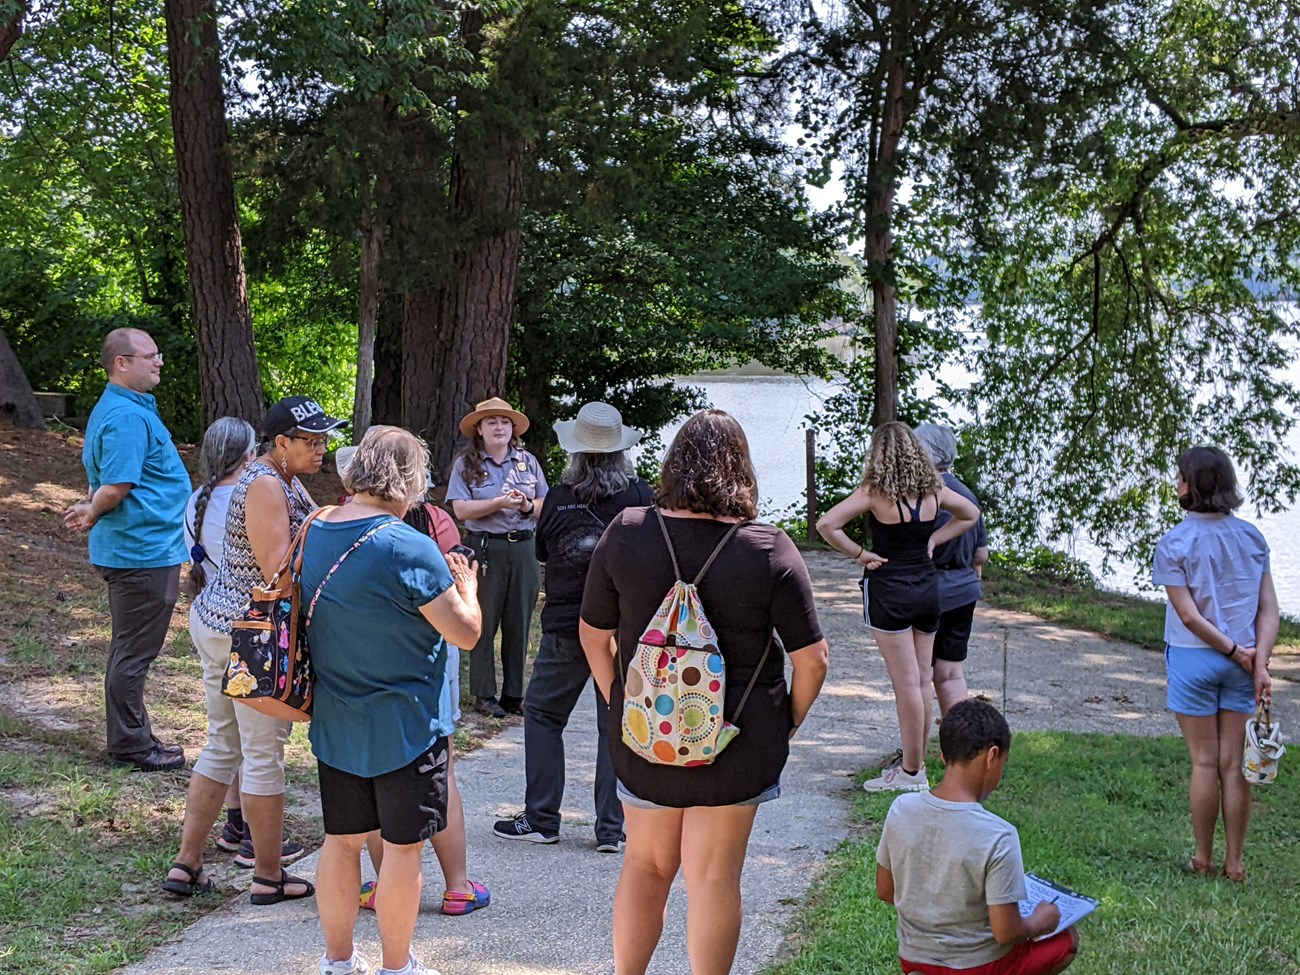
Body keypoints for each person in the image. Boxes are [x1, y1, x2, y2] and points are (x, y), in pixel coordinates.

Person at [580, 409, 829, 975]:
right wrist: (786, 719)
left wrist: (620, 700)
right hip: (737, 744)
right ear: (742, 470)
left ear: (672, 465)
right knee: (714, 877)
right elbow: (812, 659)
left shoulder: (627, 533)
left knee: (644, 866)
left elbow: (593, 636)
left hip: (645, 736)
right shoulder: (768, 550)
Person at [302, 426, 481, 975]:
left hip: (336, 718)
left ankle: (337, 963)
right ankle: (397, 967)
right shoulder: (408, 544)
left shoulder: (315, 528)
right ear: (410, 480)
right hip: (407, 726)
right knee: (403, 852)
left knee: (340, 843)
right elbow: (465, 634)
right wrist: (469, 588)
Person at [163, 396, 344, 904]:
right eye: (311, 441)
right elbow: (278, 572)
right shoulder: (265, 484)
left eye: (324, 440)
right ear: (280, 442)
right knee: (262, 755)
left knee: (223, 745)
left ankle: (187, 864)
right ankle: (268, 876)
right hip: (250, 632)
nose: (321, 449)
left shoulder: (281, 477)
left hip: (222, 622)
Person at [334, 445, 492, 918]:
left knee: (374, 784)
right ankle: (457, 887)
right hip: (422, 665)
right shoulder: (431, 526)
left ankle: (386, 889)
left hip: (353, 672)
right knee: (438, 774)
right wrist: (469, 591)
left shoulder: (333, 524)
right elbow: (463, 623)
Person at [493, 402, 653, 849]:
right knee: (615, 720)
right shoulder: (640, 496)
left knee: (543, 714)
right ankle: (610, 829)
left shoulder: (559, 499)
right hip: (623, 627)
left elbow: (544, 553)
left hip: (567, 622)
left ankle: (542, 818)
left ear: (576, 454)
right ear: (621, 453)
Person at [817, 421, 979, 793]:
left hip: (890, 591)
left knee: (906, 684)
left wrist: (860, 554)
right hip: (927, 589)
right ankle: (916, 767)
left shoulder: (875, 492)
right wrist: (936, 537)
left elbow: (827, 524)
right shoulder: (934, 490)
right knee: (922, 680)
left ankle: (910, 773)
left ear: (879, 455)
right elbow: (970, 514)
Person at [64, 328, 190, 773]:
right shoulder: (124, 417)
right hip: (141, 552)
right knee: (134, 652)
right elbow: (116, 486)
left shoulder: (127, 408)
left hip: (144, 548)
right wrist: (94, 508)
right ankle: (132, 746)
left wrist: (92, 505)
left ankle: (134, 736)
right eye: (150, 356)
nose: (159, 362)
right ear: (122, 362)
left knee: (129, 648)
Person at [876, 699, 1080, 975]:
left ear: (944, 756)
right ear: (992, 756)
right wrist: (1041, 921)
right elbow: (1006, 932)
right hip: (978, 965)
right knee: (1067, 940)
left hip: (914, 958)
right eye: (1003, 763)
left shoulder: (901, 808)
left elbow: (886, 891)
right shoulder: (998, 835)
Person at [1153, 445, 1276, 883]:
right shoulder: (1252, 538)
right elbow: (1268, 610)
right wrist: (1256, 660)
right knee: (1234, 765)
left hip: (1193, 658)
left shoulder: (1174, 543)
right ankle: (1236, 863)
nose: (1177, 485)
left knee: (1204, 763)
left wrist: (1234, 652)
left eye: (1181, 478)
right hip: (1242, 662)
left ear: (1194, 486)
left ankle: (1202, 858)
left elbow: (1188, 615)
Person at [180, 417, 259, 857]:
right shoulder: (249, 497)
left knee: (223, 735)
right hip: (245, 625)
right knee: (256, 741)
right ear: (249, 456)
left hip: (206, 617)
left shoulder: (196, 500)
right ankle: (254, 834)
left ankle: (233, 823)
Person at [445, 397, 548, 719]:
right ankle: (484, 693)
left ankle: (514, 694)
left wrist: (526, 506)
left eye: (504, 422)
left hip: (523, 549)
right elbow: (460, 509)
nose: (499, 427)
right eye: (491, 422)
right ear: (479, 429)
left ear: (513, 428)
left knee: (518, 622)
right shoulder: (466, 464)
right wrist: (498, 503)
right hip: (485, 548)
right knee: (483, 621)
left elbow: (546, 504)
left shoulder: (527, 462)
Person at [912, 423, 989, 718]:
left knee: (919, 676)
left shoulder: (925, 495)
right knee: (951, 673)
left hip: (930, 589)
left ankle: (913, 757)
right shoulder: (966, 494)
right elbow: (981, 553)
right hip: (964, 590)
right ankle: (960, 743)